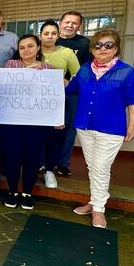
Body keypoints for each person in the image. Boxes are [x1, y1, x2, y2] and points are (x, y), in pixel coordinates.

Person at [65, 29, 134, 229]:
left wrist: (132, 125)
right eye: (98, 45)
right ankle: (93, 201)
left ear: (116, 48)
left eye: (108, 45)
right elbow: (69, 89)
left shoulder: (127, 71)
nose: (103, 49)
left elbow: (133, 100)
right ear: (92, 49)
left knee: (101, 167)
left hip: (111, 127)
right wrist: (45, 75)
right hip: (85, 126)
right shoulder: (84, 69)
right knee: (93, 166)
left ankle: (99, 209)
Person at [0, 34, 53, 210]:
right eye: (22, 47)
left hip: (36, 123)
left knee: (32, 157)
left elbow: (56, 93)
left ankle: (28, 192)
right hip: (12, 121)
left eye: (30, 46)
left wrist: (56, 117)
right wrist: (28, 71)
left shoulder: (47, 68)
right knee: (12, 157)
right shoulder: (10, 65)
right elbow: (4, 85)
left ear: (38, 48)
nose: (26, 50)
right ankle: (12, 191)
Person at [38, 19, 80, 189]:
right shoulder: (34, 50)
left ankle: (50, 170)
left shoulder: (67, 53)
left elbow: (78, 76)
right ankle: (38, 164)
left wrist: (66, 81)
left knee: (54, 136)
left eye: (53, 33)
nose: (49, 36)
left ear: (58, 35)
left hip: (56, 103)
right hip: (33, 104)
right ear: (40, 35)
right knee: (36, 135)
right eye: (46, 33)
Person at [55, 11, 92, 176]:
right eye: (67, 22)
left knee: (70, 129)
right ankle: (42, 161)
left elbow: (89, 70)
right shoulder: (51, 40)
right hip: (50, 93)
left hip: (74, 93)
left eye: (74, 23)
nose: (70, 25)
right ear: (60, 22)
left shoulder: (85, 44)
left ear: (79, 26)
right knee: (47, 126)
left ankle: (63, 163)